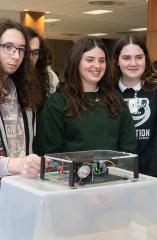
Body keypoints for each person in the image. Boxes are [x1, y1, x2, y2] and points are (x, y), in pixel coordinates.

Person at [39, 36, 136, 154]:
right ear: (76, 62)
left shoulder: (116, 100)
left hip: (114, 171)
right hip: (70, 172)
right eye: (90, 60)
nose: (97, 66)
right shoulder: (58, 102)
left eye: (102, 60)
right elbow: (51, 150)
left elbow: (128, 146)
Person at [111, 34, 157, 179]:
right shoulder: (108, 92)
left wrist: (149, 180)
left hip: (152, 177)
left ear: (146, 59)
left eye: (139, 57)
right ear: (117, 60)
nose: (133, 63)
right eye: (126, 58)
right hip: (113, 177)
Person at [0, 19, 43, 177]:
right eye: (8, 47)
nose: (16, 56)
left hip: (20, 187)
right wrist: (13, 164)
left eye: (21, 49)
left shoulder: (22, 88)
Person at [25, 26, 51, 105]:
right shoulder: (6, 84)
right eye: (26, 52)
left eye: (36, 53)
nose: (30, 58)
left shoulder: (39, 82)